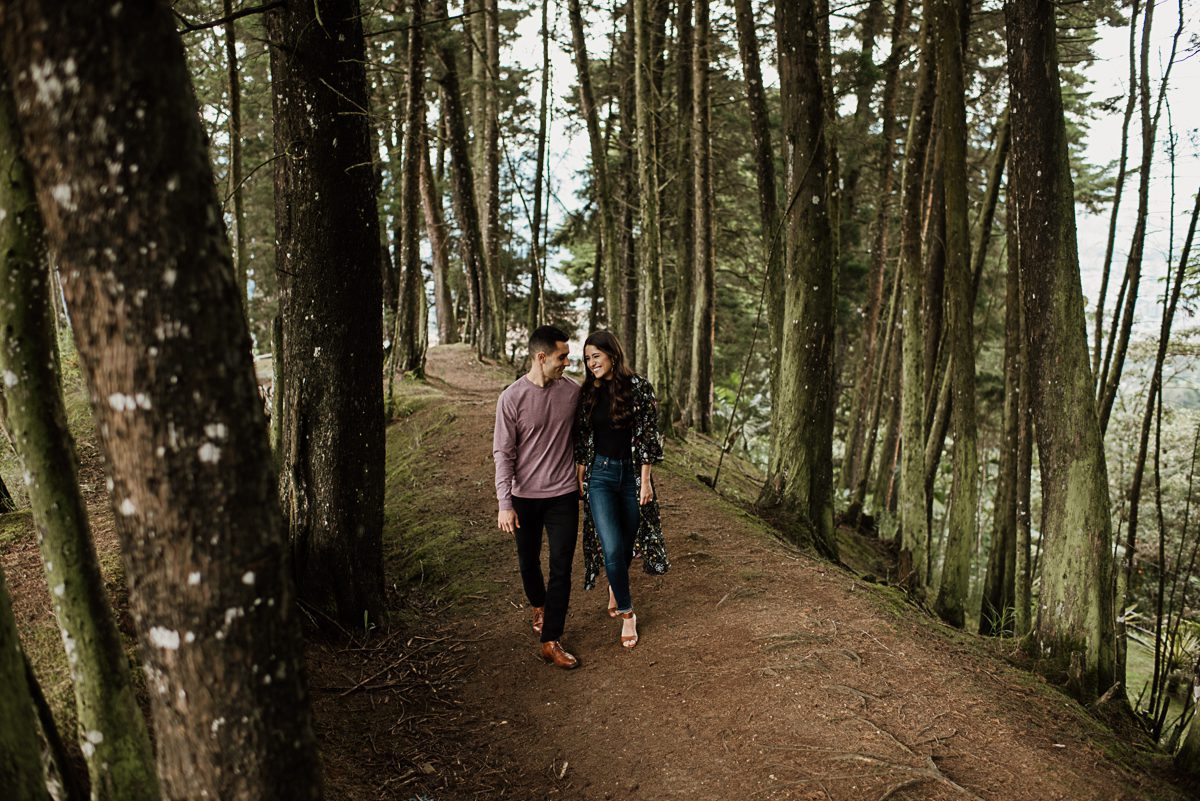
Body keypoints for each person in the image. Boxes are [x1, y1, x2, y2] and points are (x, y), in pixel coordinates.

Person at [493, 325, 582, 669]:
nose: (567, 363)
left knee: (561, 567)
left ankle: (551, 639)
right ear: (541, 357)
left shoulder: (572, 393)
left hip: (562, 494)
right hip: (524, 497)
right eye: (562, 357)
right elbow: (503, 453)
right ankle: (538, 604)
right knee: (528, 560)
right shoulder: (511, 398)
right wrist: (504, 503)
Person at [574, 330, 669, 650]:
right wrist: (580, 476)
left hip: (631, 476)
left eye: (595, 357)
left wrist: (645, 481)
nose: (591, 364)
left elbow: (647, 436)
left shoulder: (639, 387)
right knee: (612, 546)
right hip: (599, 476)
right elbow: (583, 437)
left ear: (612, 354)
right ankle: (628, 613)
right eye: (587, 359)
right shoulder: (589, 391)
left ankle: (616, 585)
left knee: (627, 543)